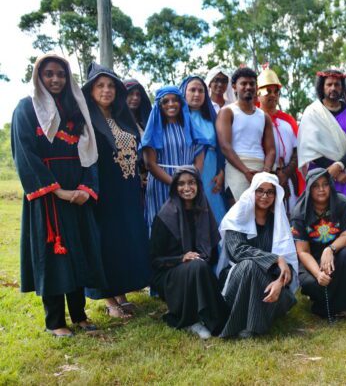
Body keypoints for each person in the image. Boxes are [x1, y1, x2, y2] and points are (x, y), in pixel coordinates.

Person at [12, 53, 104, 337]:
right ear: (39, 76)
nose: (55, 79)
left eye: (61, 74)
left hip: (77, 192)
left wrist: (85, 190)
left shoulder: (76, 109)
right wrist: (59, 191)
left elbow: (89, 154)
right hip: (48, 196)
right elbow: (25, 155)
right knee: (51, 255)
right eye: (49, 74)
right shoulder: (26, 109)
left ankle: (79, 315)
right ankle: (55, 321)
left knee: (77, 251)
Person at [81, 62, 150, 318]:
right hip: (104, 193)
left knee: (125, 242)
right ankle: (110, 302)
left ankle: (121, 294)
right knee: (106, 245)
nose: (106, 90)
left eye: (111, 85)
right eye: (100, 85)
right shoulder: (85, 121)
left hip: (128, 193)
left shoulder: (123, 118)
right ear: (90, 90)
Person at [148, 167, 228, 339]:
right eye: (181, 184)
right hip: (168, 274)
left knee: (201, 266)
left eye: (191, 183)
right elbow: (155, 260)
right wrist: (181, 258)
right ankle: (192, 320)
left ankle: (213, 318)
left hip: (199, 270)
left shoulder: (203, 209)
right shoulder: (165, 215)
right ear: (175, 187)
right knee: (197, 266)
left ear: (198, 185)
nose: (187, 188)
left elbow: (212, 252)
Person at [216, 172, 298, 337]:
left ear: (275, 196)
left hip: (270, 282)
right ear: (252, 192)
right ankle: (251, 328)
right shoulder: (237, 216)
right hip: (238, 280)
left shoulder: (278, 222)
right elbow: (237, 251)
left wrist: (279, 283)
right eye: (260, 190)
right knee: (250, 265)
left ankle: (251, 323)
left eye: (270, 192)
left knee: (274, 288)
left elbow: (287, 265)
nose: (264, 196)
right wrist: (275, 258)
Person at [291, 169, 346, 320]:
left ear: (331, 185)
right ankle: (327, 304)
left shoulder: (344, 204)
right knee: (311, 283)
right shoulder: (299, 212)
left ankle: (337, 305)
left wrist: (329, 249)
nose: (321, 189)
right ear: (309, 188)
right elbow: (302, 251)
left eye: (325, 184)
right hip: (312, 260)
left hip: (337, 255)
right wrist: (318, 274)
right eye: (316, 186)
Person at [298, 69, 346, 212]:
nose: (333, 88)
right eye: (329, 84)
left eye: (337, 84)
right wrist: (333, 170)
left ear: (342, 88)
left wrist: (340, 166)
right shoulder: (312, 112)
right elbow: (309, 148)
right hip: (320, 175)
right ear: (322, 87)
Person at [140, 86, 203, 232]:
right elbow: (150, 164)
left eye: (175, 100)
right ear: (159, 106)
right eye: (165, 101)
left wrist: (191, 182)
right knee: (162, 227)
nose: (171, 104)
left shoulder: (189, 127)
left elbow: (199, 156)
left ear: (181, 103)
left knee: (188, 226)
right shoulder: (154, 129)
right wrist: (175, 184)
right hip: (162, 186)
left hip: (189, 187)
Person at [216, 67, 276, 200]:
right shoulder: (227, 112)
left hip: (261, 168)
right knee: (238, 217)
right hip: (236, 169)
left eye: (252, 84)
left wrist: (265, 172)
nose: (248, 87)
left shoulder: (264, 116)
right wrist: (246, 171)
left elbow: (271, 150)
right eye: (243, 83)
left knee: (260, 216)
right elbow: (225, 146)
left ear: (256, 87)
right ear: (234, 87)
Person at [180, 76, 227, 223]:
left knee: (214, 213)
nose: (196, 94)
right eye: (192, 90)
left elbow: (221, 146)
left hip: (211, 173)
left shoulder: (212, 117)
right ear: (184, 92)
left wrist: (221, 171)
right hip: (187, 170)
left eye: (201, 91)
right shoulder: (178, 118)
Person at [257, 65, 302, 212]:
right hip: (263, 179)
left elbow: (297, 150)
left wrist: (286, 172)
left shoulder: (287, 120)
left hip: (288, 178)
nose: (272, 95)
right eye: (267, 91)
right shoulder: (254, 119)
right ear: (258, 93)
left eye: (276, 91)